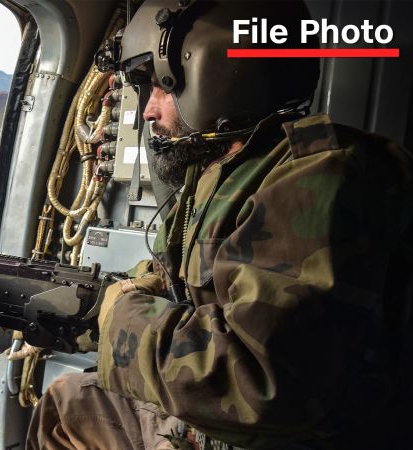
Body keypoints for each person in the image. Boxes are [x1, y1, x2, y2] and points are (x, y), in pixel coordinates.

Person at [26, 0, 413, 448]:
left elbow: (259, 382)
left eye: (159, 87)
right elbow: (192, 280)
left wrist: (120, 318)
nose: (149, 111)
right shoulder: (225, 170)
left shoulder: (322, 175)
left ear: (214, 73)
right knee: (68, 404)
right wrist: (133, 291)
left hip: (288, 435)